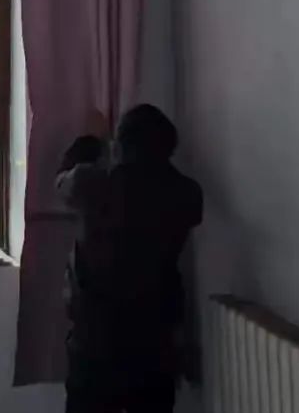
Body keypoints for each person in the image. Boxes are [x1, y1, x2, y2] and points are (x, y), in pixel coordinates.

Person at [58, 104, 203, 413]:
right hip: (155, 341)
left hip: (96, 340)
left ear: (120, 146)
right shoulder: (188, 193)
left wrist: (89, 145)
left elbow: (62, 181)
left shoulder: (94, 183)